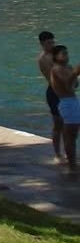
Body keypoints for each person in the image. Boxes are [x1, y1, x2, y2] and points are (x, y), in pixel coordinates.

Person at [48, 45, 79, 172]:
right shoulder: (56, 69)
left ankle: (73, 163)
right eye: (63, 54)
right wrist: (75, 73)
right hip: (67, 103)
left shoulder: (68, 67)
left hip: (73, 101)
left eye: (67, 53)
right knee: (70, 136)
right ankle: (72, 166)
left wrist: (74, 74)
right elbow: (67, 87)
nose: (66, 56)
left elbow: (75, 85)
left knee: (73, 135)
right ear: (56, 56)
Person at [37, 30, 65, 162]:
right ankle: (58, 154)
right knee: (58, 124)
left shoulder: (57, 54)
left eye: (53, 42)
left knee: (70, 124)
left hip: (65, 91)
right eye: (49, 43)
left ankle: (68, 152)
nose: (52, 45)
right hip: (54, 93)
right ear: (42, 44)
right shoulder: (43, 59)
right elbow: (54, 77)